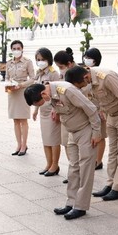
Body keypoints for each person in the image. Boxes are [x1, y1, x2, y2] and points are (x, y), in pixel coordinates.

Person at [25, 81, 101, 220]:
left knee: (85, 168)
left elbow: (90, 108)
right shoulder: (50, 94)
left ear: (43, 94)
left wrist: (96, 132)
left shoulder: (67, 91)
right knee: (73, 168)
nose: (42, 106)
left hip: (86, 130)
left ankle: (81, 207)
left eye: (39, 104)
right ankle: (71, 202)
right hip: (72, 131)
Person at [67, 64, 118, 201]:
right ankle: (110, 183)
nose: (83, 87)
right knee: (112, 152)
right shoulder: (89, 81)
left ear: (85, 76)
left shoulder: (106, 77)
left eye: (81, 85)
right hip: (111, 116)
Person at [32, 48, 61, 176]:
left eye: (43, 59)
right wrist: (36, 109)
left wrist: (56, 109)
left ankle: (55, 165)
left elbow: (58, 93)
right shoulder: (39, 73)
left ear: (49, 59)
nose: (40, 62)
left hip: (51, 110)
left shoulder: (54, 73)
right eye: (38, 60)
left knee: (53, 139)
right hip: (43, 110)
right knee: (46, 139)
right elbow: (37, 94)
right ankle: (48, 164)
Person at [5, 40, 35, 156]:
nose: (16, 50)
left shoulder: (28, 62)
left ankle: (24, 145)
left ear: (22, 49)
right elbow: (7, 77)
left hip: (23, 92)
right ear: (11, 50)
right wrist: (7, 85)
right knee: (15, 120)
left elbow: (33, 78)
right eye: (14, 48)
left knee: (23, 120)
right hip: (12, 93)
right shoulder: (9, 63)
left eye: (18, 48)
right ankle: (18, 144)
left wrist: (21, 85)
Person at [54, 48, 78, 183]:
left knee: (75, 146)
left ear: (69, 64)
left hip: (76, 116)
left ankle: (77, 172)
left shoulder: (79, 74)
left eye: (61, 67)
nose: (60, 70)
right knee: (66, 143)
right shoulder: (63, 75)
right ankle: (73, 172)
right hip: (64, 114)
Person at [83, 47, 106, 170]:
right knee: (90, 135)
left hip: (99, 108)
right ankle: (92, 158)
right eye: (85, 57)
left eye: (89, 58)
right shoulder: (83, 73)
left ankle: (98, 160)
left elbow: (104, 93)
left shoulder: (100, 73)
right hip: (88, 109)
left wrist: (102, 109)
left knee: (100, 135)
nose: (86, 60)